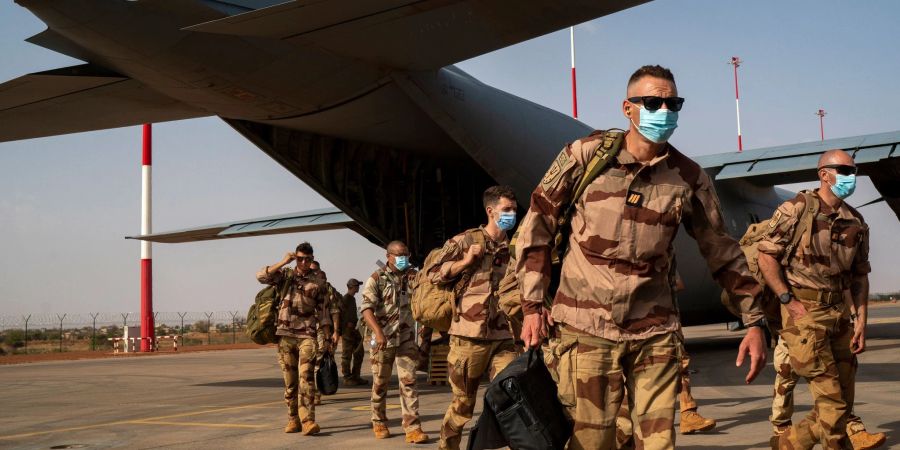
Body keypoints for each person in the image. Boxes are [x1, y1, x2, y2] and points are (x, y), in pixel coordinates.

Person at [515, 65, 767, 449]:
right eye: (652, 101)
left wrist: (753, 320)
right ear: (628, 108)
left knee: (657, 443)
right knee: (591, 442)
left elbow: (722, 249)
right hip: (585, 328)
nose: (663, 110)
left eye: (672, 102)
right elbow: (537, 225)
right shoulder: (586, 156)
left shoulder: (688, 177)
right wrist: (532, 305)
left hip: (655, 331)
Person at [758, 149, 878, 449]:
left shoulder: (855, 221)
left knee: (842, 402)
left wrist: (861, 320)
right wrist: (787, 299)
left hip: (839, 314)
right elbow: (766, 255)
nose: (852, 176)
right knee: (833, 404)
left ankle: (788, 445)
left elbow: (860, 275)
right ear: (824, 174)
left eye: (854, 170)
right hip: (804, 315)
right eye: (844, 170)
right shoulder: (795, 209)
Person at [429, 185, 519, 450]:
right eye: (506, 210)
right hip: (468, 337)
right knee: (462, 406)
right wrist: (464, 262)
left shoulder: (516, 246)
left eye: (514, 210)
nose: (511, 215)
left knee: (511, 396)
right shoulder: (466, 240)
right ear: (490, 211)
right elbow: (434, 273)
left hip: (504, 336)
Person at [256, 242, 333, 435]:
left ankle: (308, 420)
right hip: (285, 335)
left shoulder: (319, 282)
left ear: (312, 259)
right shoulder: (285, 276)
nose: (304, 262)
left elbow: (324, 312)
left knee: (306, 377)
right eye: (300, 258)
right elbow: (261, 276)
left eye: (308, 259)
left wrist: (329, 335)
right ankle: (293, 419)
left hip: (307, 334)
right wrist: (283, 261)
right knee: (290, 383)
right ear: (296, 258)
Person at [360, 240, 429, 444]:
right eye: (399, 255)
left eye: (406, 255)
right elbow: (366, 309)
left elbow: (424, 303)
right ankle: (378, 420)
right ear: (388, 255)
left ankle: (412, 427)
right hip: (382, 339)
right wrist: (378, 333)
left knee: (409, 381)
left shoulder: (414, 277)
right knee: (380, 383)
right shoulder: (376, 279)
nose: (403, 259)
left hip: (406, 338)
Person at [771, 336, 885, 449]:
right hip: (796, 333)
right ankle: (782, 430)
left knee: (838, 385)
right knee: (785, 379)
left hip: (831, 332)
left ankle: (850, 429)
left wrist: (860, 320)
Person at [309, 260, 342, 405]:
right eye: (311, 270)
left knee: (319, 360)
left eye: (315, 270)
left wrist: (335, 331)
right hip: (305, 330)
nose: (313, 273)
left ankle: (316, 393)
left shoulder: (327, 288)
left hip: (323, 330)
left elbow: (335, 311)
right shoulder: (300, 285)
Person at [340, 278, 367, 386]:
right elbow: (340, 313)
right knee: (347, 355)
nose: (358, 288)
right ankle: (347, 378)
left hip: (354, 330)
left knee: (359, 352)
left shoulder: (352, 299)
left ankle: (356, 376)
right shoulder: (345, 298)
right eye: (356, 286)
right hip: (347, 331)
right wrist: (346, 324)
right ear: (351, 287)